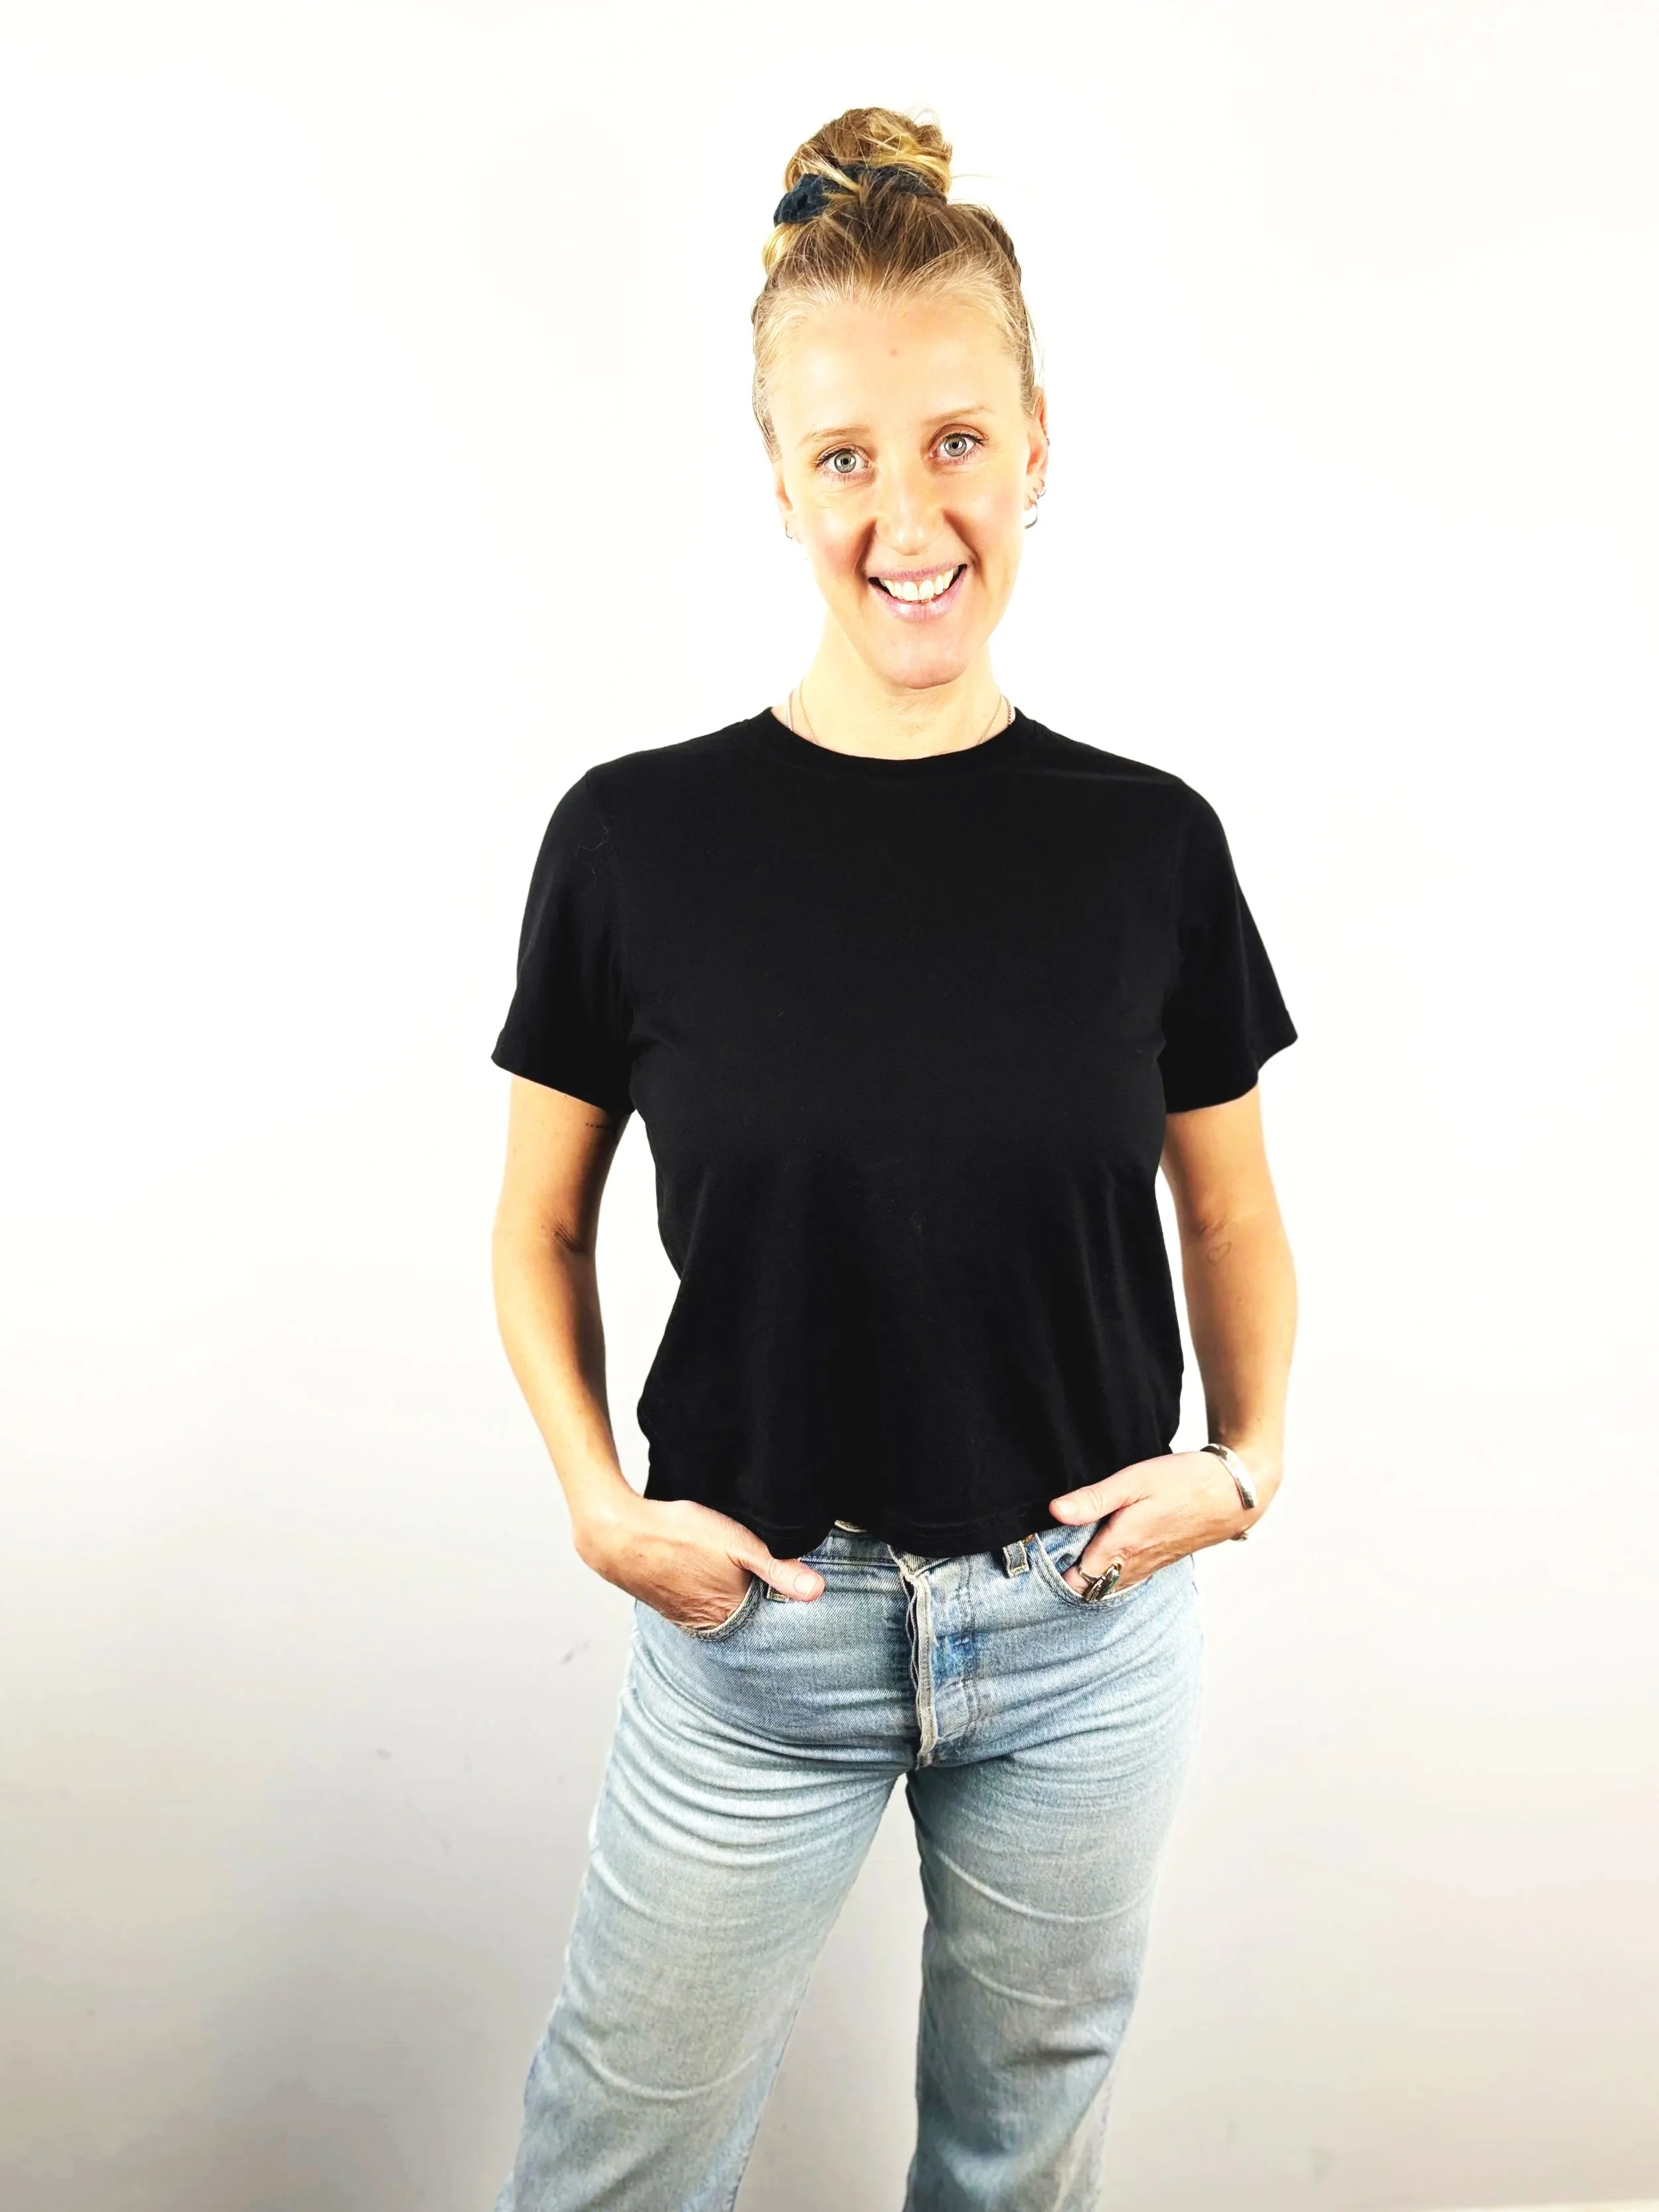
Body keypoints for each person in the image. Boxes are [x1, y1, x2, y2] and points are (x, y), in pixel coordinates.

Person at [486, 105, 1297, 2212]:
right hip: (755, 1629)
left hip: (1083, 1626)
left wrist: (1246, 1459)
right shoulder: (632, 840)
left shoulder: (1149, 846)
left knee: (1016, 2167)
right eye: (845, 456)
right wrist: (596, 1502)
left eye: (953, 442)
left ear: (1036, 450)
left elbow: (1226, 1204)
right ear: (778, 482)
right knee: (613, 2160)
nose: (907, 513)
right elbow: (538, 1224)